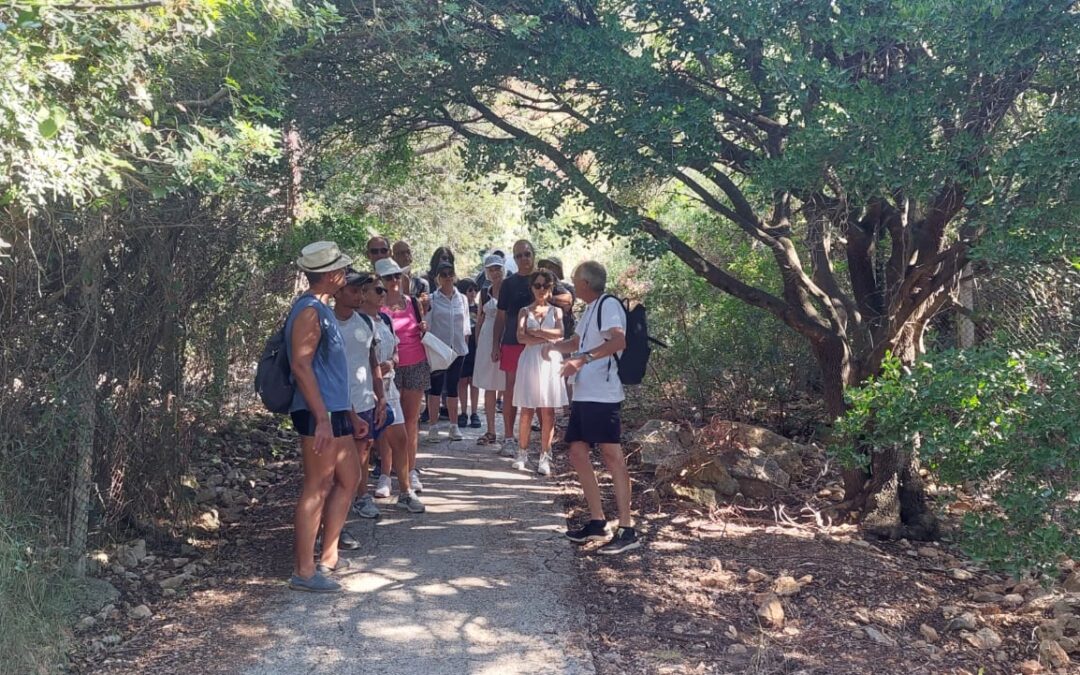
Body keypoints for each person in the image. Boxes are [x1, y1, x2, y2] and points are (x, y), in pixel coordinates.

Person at [286, 241, 368, 592]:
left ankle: (328, 556)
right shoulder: (308, 310)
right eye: (342, 270)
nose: (346, 275)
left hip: (334, 411)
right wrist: (321, 417)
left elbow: (330, 369)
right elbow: (301, 366)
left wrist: (347, 413)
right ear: (331, 274)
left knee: (350, 476)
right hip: (317, 413)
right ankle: (304, 572)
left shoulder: (322, 309)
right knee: (316, 486)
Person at [544, 261, 640, 555]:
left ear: (586, 282)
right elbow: (576, 342)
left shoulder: (608, 305)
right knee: (577, 452)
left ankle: (627, 528)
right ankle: (598, 522)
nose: (571, 284)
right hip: (586, 394)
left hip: (603, 395)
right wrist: (551, 347)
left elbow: (618, 340)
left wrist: (581, 360)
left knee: (612, 456)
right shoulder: (591, 309)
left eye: (575, 279)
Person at [492, 241, 572, 458]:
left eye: (526, 254)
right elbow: (500, 316)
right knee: (512, 390)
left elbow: (568, 299)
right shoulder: (508, 284)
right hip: (513, 341)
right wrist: (494, 344)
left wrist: (545, 297)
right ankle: (510, 438)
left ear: (533, 255)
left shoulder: (544, 278)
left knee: (543, 392)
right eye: (518, 256)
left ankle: (542, 444)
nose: (523, 259)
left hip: (544, 348)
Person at [361, 274, 426, 513]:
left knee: (400, 438)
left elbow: (396, 351)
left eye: (383, 290)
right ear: (363, 294)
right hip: (366, 390)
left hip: (389, 388)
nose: (383, 294)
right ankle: (362, 497)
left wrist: (391, 363)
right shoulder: (357, 322)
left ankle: (405, 491)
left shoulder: (386, 320)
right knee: (366, 444)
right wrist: (377, 368)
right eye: (377, 290)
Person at [333, 270, 388, 525]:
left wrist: (381, 397)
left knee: (363, 452)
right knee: (338, 465)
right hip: (337, 404)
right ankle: (335, 521)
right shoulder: (328, 323)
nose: (359, 296)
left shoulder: (366, 323)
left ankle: (361, 496)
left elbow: (373, 361)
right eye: (354, 290)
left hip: (365, 399)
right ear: (338, 292)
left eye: (362, 291)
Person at [378, 256, 429, 494]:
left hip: (415, 362)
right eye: (388, 277)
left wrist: (423, 327)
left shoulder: (411, 302)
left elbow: (419, 327)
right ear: (381, 280)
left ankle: (410, 470)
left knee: (410, 420)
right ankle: (385, 475)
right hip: (390, 368)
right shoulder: (376, 306)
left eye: (397, 275)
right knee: (387, 421)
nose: (394, 280)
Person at [511, 269, 568, 475]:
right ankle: (522, 453)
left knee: (548, 411)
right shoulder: (524, 311)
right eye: (537, 285)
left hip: (550, 361)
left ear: (551, 288)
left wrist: (536, 333)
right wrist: (546, 337)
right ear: (532, 288)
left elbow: (561, 333)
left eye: (545, 285)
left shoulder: (556, 312)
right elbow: (520, 337)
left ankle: (545, 455)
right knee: (527, 410)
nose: (541, 289)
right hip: (530, 360)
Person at [424, 261, 471, 443]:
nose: (448, 277)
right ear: (438, 278)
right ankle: (433, 426)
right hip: (438, 349)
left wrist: (464, 347)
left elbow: (466, 325)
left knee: (453, 387)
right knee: (435, 388)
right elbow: (427, 324)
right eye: (443, 274)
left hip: (458, 349)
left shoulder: (462, 299)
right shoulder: (432, 299)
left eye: (450, 273)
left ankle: (454, 425)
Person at [472, 254, 507, 446]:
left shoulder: (510, 289)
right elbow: (480, 318)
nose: (495, 272)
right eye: (491, 269)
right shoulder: (485, 292)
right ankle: (491, 430)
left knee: (508, 384)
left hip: (505, 336)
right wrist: (478, 343)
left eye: (497, 268)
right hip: (486, 338)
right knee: (489, 386)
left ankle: (509, 433)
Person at [455, 277, 482, 429]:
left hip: (476, 347)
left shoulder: (479, 308)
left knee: (474, 382)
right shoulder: (459, 308)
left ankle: (474, 412)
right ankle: (463, 412)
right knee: (462, 381)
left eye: (474, 290)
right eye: (469, 290)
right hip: (463, 348)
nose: (472, 293)